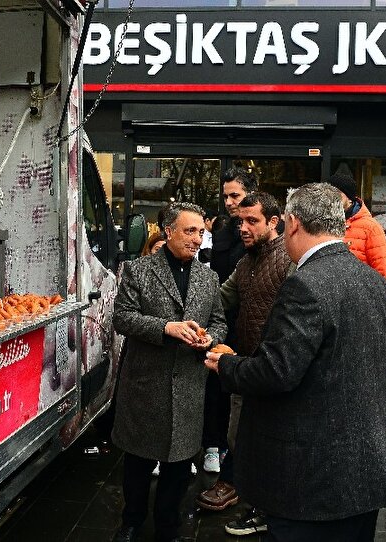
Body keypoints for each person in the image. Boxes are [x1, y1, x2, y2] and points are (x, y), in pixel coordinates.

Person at [205, 183, 386, 541]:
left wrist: (228, 364)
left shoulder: (306, 284)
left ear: (292, 223)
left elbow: (275, 372)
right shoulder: (375, 281)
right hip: (366, 469)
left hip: (313, 478)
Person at [112, 202, 227, 542]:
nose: (197, 239)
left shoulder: (209, 277)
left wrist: (209, 338)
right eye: (189, 231)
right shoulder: (139, 271)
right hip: (146, 384)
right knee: (137, 463)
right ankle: (131, 521)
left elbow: (219, 321)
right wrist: (166, 327)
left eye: (201, 232)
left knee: (178, 468)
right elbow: (122, 318)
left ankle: (168, 527)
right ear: (168, 231)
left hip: (189, 385)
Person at [196, 192, 292, 537]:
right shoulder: (246, 262)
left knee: (269, 443)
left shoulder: (288, 261)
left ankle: (267, 510)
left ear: (274, 223)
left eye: (252, 221)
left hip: (275, 369)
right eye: (240, 221)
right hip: (244, 365)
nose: (243, 228)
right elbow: (223, 296)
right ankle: (253, 500)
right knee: (239, 437)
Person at [203, 167, 257, 474]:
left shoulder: (262, 237)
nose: (229, 202)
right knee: (217, 388)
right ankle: (214, 444)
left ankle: (236, 452)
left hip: (249, 324)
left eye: (235, 195)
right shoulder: (222, 235)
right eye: (225, 196)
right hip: (223, 321)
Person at [327, 174, 386, 297]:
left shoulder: (370, 227)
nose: (331, 198)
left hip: (360, 300)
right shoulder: (323, 223)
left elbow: (385, 271)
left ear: (349, 198)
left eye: (336, 193)